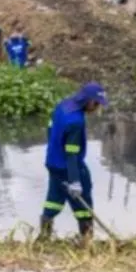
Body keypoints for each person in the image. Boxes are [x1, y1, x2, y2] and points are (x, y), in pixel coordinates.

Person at [39, 82, 108, 242]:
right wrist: (75, 181)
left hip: (53, 163)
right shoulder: (76, 122)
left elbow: (50, 129)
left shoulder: (63, 105)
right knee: (83, 205)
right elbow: (72, 154)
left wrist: (54, 150)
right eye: (97, 104)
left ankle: (43, 239)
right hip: (67, 166)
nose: (97, 108)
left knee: (54, 198)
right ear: (90, 101)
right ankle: (86, 241)